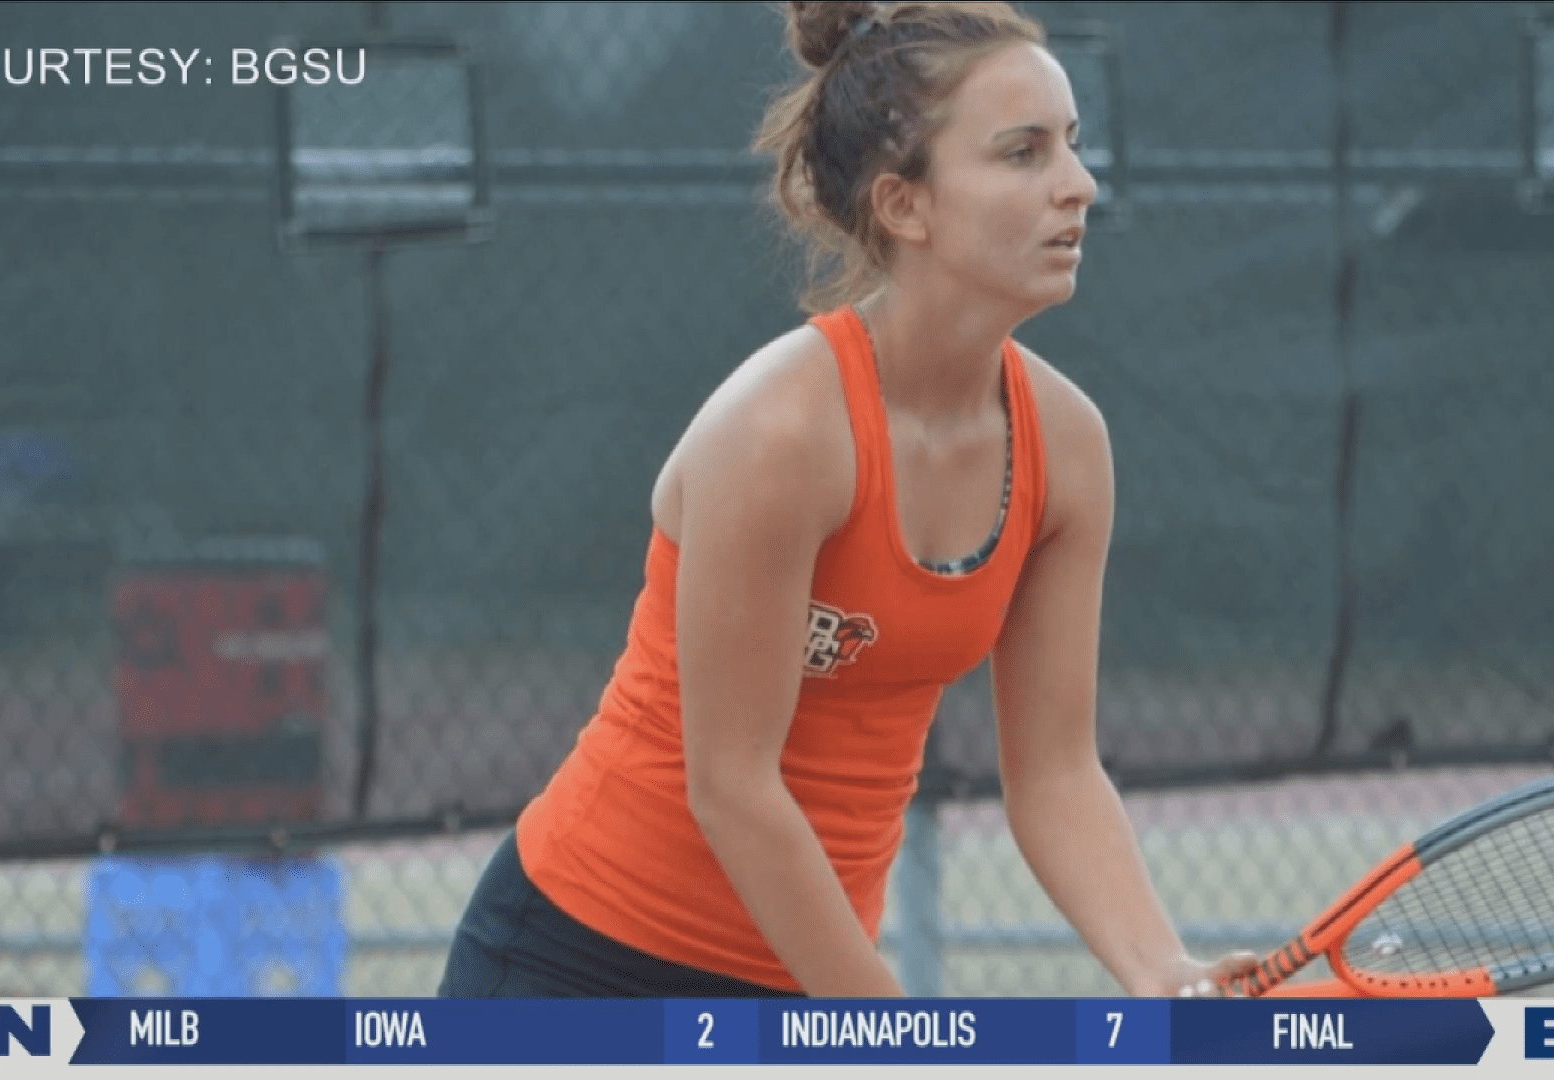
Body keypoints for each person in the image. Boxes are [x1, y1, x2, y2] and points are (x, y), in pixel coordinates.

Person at [438, 0, 1260, 999]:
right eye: (1022, 153)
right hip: (576, 964)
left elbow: (1053, 775)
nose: (1079, 185)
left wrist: (1162, 970)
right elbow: (732, 788)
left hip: (808, 984)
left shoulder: (1069, 449)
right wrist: (885, 1022)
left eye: (1074, 147)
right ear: (904, 205)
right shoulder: (782, 435)